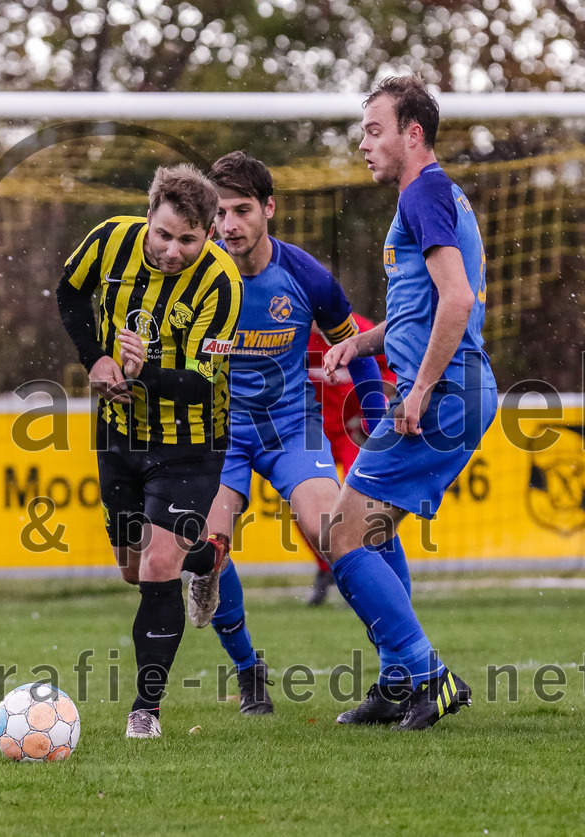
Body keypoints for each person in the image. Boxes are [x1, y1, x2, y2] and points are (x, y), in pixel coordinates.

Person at [321, 76, 497, 730]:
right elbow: (418, 314)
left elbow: (457, 300)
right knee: (371, 528)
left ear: (411, 134)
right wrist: (357, 345)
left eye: (374, 129)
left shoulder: (424, 191)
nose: (364, 143)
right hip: (452, 387)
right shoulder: (429, 195)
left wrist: (418, 389)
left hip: (445, 392)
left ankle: (427, 674)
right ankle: (399, 681)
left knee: (341, 532)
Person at [186, 151, 387, 716]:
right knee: (206, 553)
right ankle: (250, 671)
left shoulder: (306, 276)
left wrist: (375, 430)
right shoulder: (195, 277)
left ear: (268, 209)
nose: (229, 225)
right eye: (220, 213)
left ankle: (402, 663)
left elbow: (360, 352)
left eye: (241, 210)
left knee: (337, 531)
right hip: (220, 435)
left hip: (290, 431)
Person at [56, 164, 242, 739]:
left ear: (208, 233)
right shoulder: (110, 241)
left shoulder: (222, 283)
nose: (173, 250)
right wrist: (96, 359)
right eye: (164, 235)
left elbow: (200, 382)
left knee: (159, 562)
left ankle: (146, 711)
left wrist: (142, 374)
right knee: (136, 571)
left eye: (189, 239)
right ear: (148, 218)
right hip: (118, 434)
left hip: (191, 442)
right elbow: (68, 292)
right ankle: (207, 558)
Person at [303, 315, 396, 606]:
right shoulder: (292, 333)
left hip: (350, 430)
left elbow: (391, 371)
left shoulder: (360, 330)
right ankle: (326, 569)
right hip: (311, 431)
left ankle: (371, 569)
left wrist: (375, 409)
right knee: (303, 505)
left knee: (363, 499)